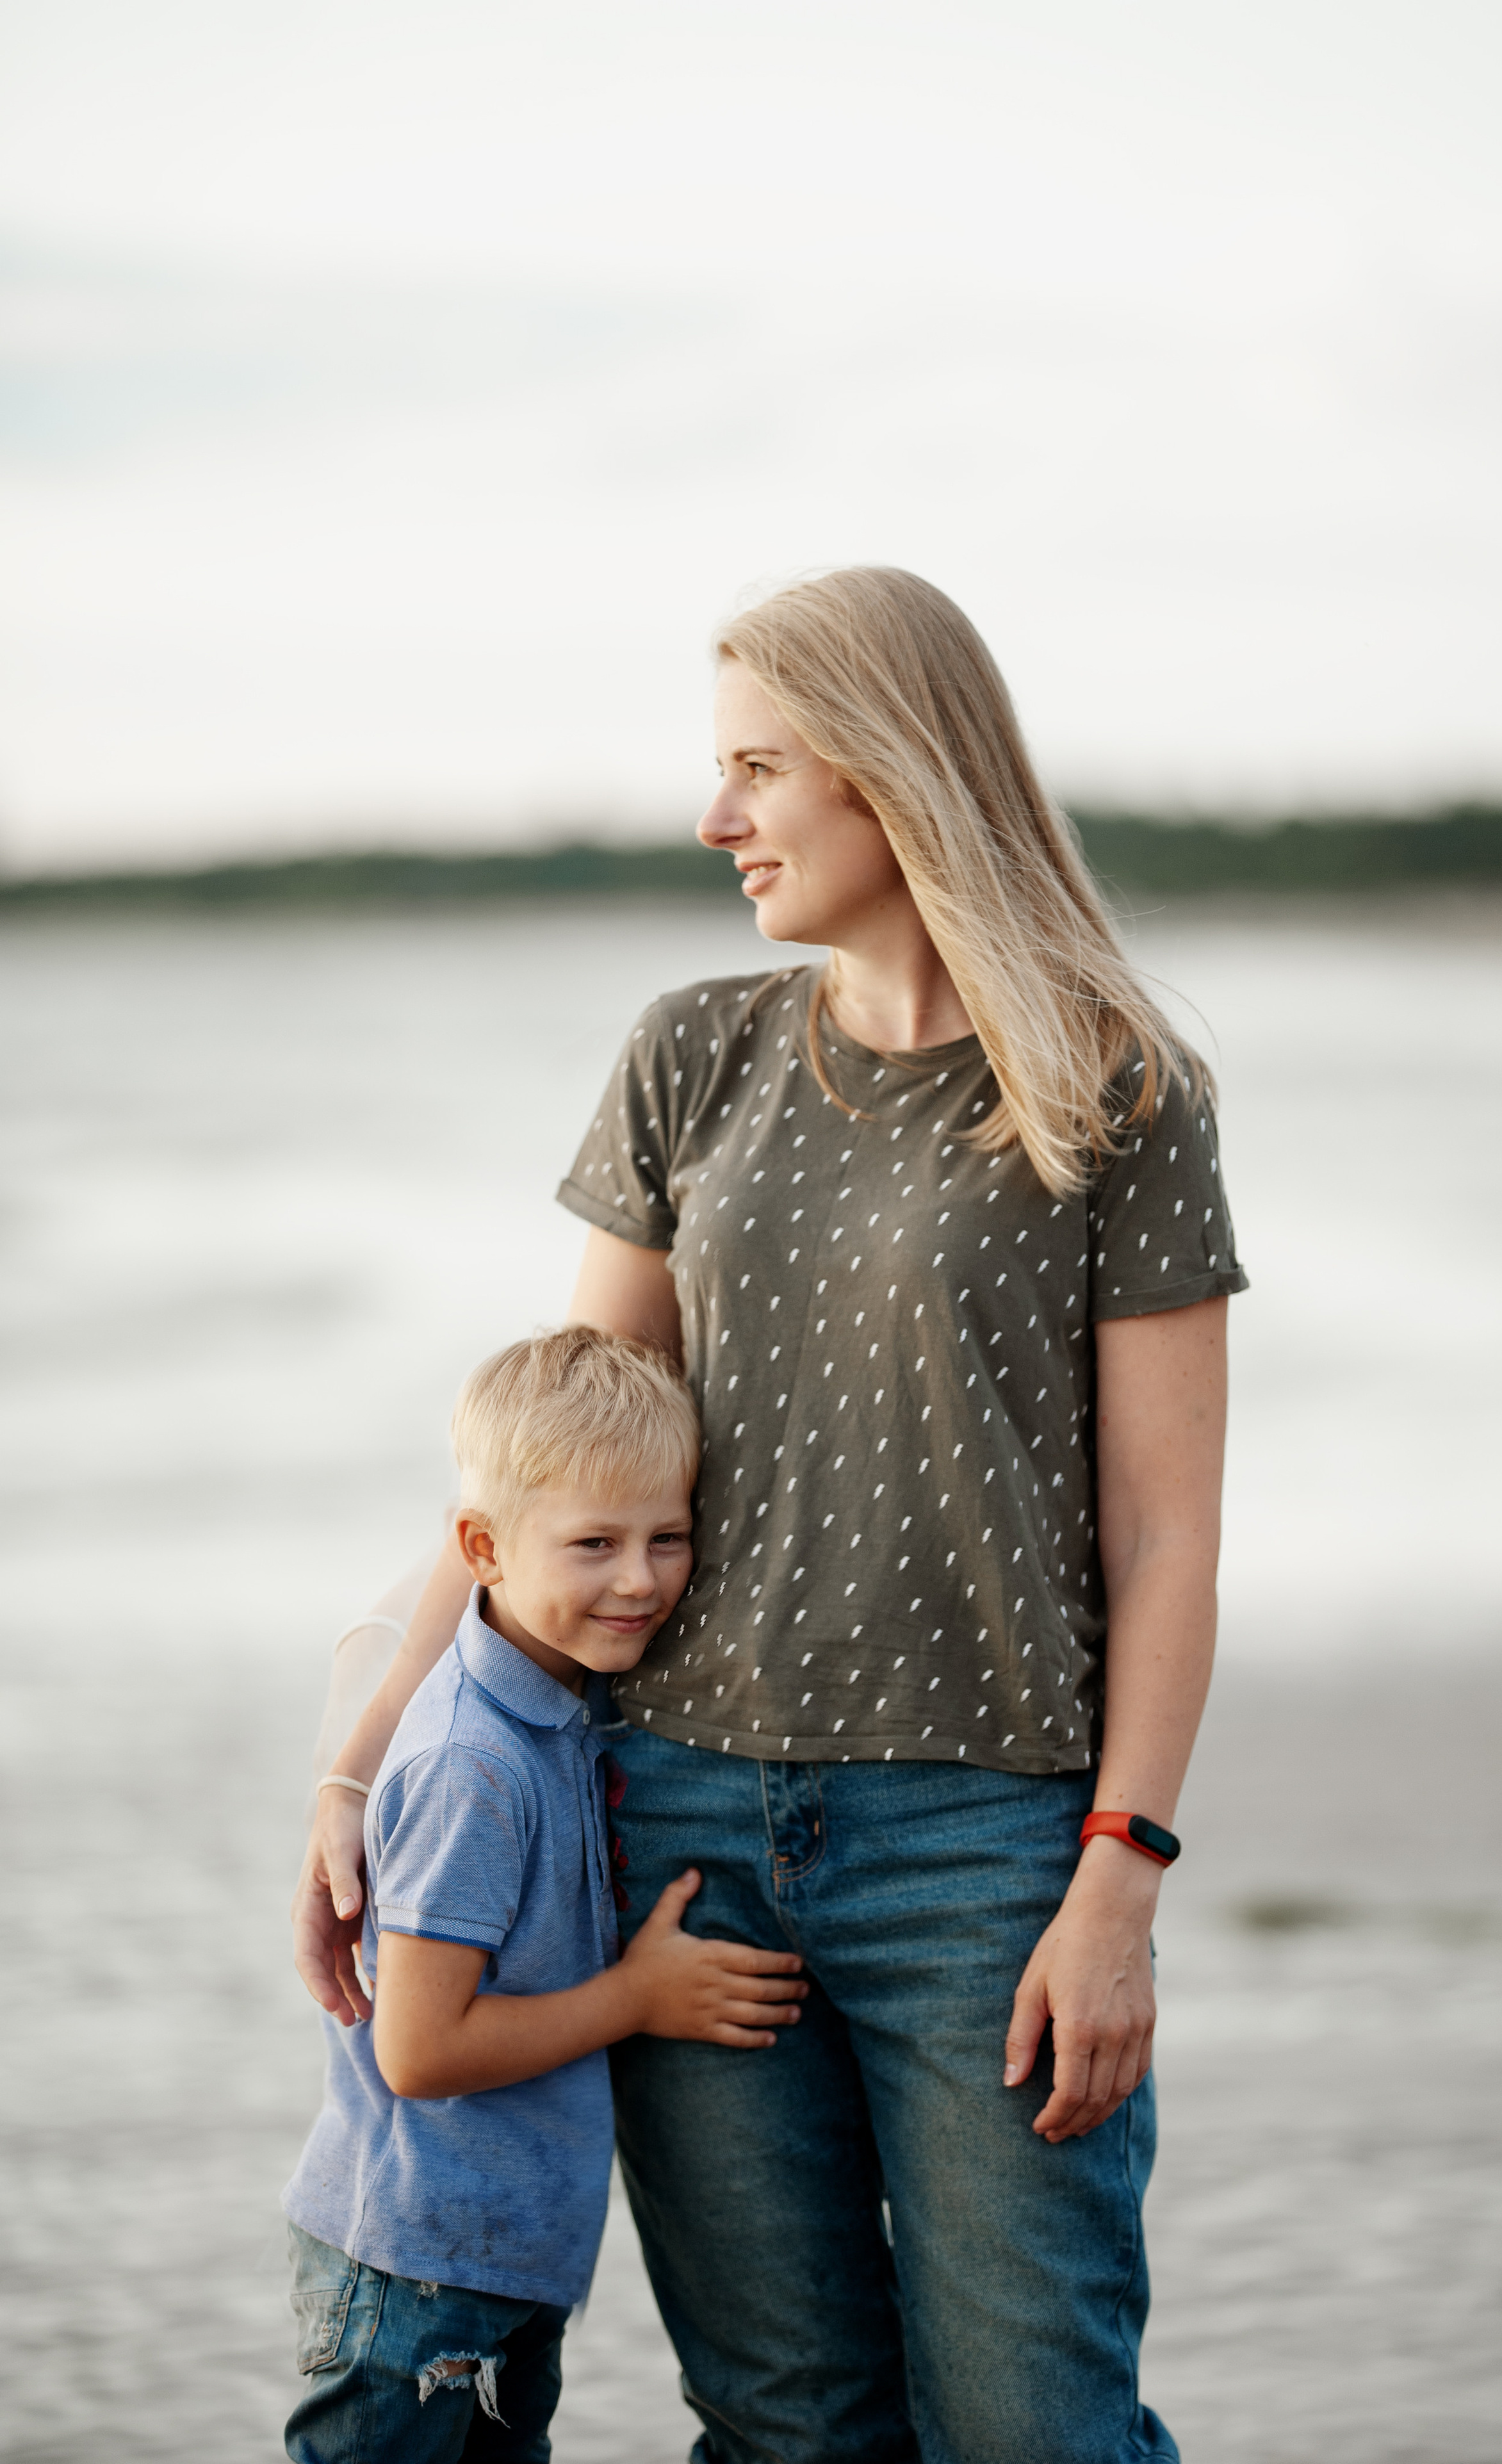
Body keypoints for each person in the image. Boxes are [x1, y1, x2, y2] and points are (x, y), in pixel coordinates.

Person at [293, 567, 1248, 2464]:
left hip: (988, 1857)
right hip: (675, 1840)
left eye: (758, 770)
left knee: (1034, 2425)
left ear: (894, 776)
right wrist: (360, 1773)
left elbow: (1166, 1542)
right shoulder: (693, 1051)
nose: (713, 818)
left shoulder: (1119, 1089)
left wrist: (1120, 1879)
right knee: (792, 2427)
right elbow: (540, 1475)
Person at [282, 1327, 806, 2463]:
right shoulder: (475, 1767)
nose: (640, 1578)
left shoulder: (560, 1705)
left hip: (495, 2263)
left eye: (669, 1538)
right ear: (482, 1547)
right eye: (593, 1544)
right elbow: (419, 2051)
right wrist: (636, 1998)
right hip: (416, 2276)